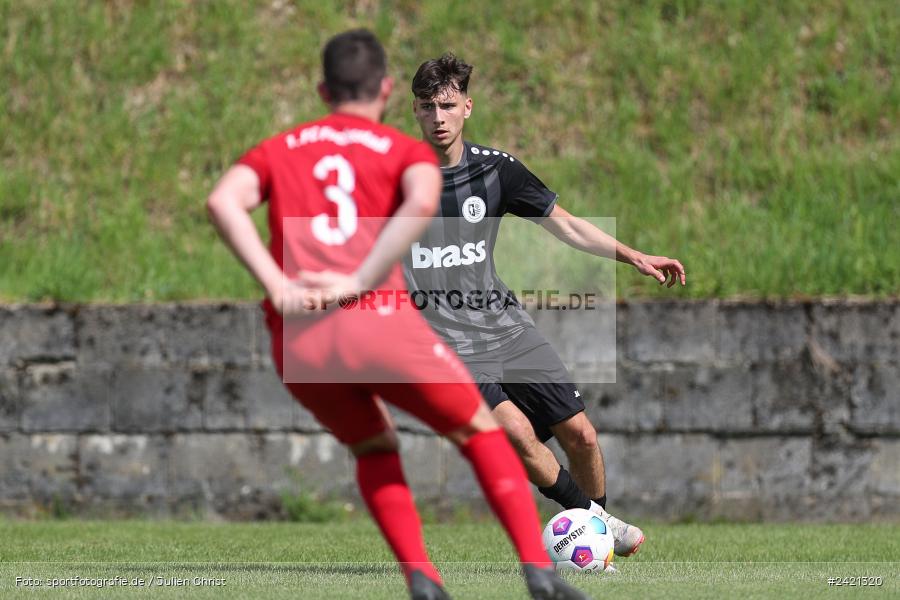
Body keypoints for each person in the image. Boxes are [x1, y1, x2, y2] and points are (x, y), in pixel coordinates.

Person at [206, 30, 589, 600]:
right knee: (484, 436)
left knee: (374, 447)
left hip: (299, 340)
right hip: (376, 323)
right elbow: (418, 203)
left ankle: (421, 579)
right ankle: (538, 573)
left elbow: (222, 201)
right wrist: (360, 280)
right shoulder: (400, 150)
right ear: (387, 90)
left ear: (322, 88)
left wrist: (276, 283)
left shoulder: (280, 147)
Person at [405, 53, 687, 559]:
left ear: (467, 107)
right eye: (428, 107)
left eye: (447, 105)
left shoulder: (496, 171)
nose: (439, 117)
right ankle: (600, 531)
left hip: (506, 327)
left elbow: (568, 224)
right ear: (416, 113)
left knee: (580, 434)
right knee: (514, 431)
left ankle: (595, 527)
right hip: (448, 344)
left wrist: (633, 255)